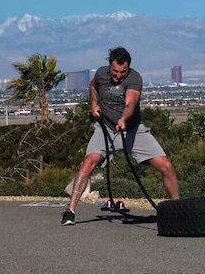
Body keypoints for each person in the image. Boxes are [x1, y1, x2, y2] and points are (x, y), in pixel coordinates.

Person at [61, 46, 180, 225]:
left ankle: (178, 211)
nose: (118, 76)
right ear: (109, 66)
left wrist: (124, 119)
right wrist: (93, 104)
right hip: (106, 129)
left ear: (128, 68)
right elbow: (93, 86)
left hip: (132, 130)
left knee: (166, 166)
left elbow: (130, 103)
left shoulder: (134, 78)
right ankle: (70, 211)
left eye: (122, 72)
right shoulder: (101, 74)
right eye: (115, 72)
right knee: (88, 164)